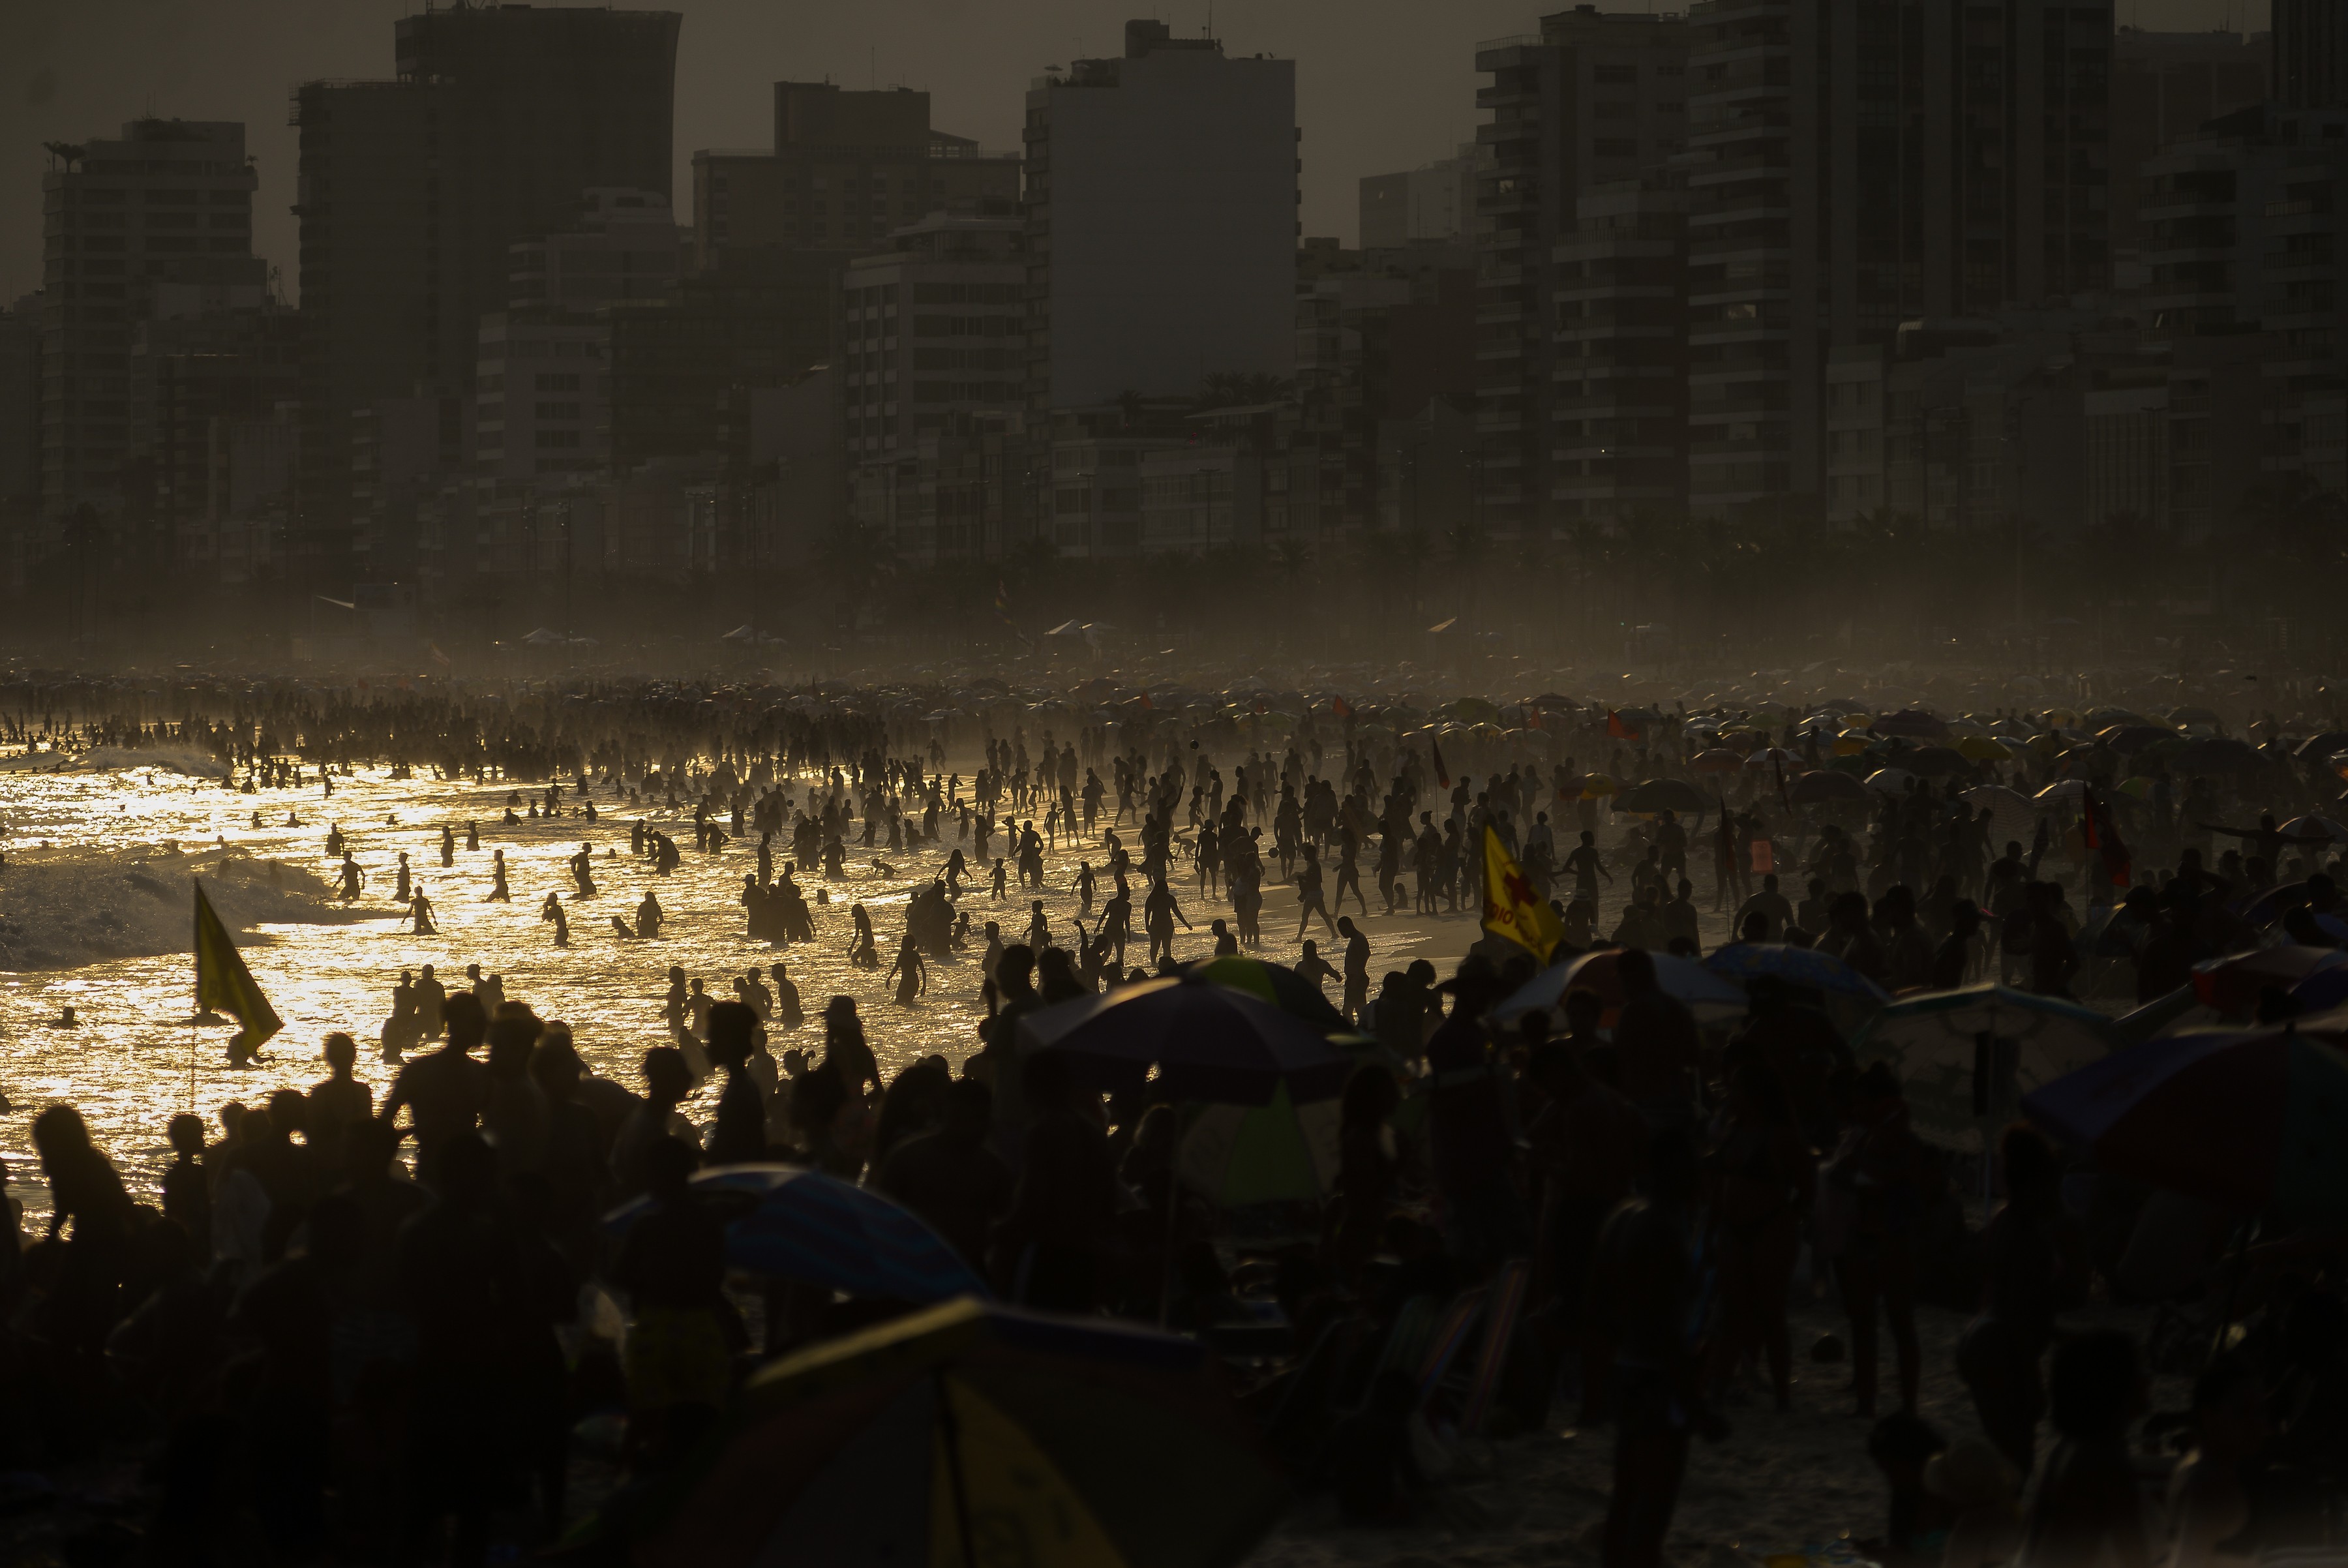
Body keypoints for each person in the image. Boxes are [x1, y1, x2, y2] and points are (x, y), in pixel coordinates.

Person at [1589, 1126, 1717, 1568]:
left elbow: (1602, 1306)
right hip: (1655, 1377)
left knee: (1626, 1495)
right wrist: (1694, 1401)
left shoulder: (1623, 1216)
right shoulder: (1662, 1228)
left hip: (1624, 1368)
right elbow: (1663, 1326)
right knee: (1653, 1504)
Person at [1960, 1122, 2084, 1478]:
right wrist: (2032, 1382)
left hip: (1984, 1340)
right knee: (2016, 1461)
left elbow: (2019, 1305)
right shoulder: (2028, 1239)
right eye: (2051, 1186)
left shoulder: (2006, 1222)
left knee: (2008, 1457)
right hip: (1998, 1349)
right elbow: (2019, 1317)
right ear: (2035, 1185)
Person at [610, 1135, 730, 1468]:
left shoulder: (647, 1225)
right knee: (700, 1425)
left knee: (648, 1422)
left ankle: (630, 1482)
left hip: (656, 1330)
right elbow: (716, 1274)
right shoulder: (710, 1221)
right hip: (701, 1329)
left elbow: (619, 1275)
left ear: (656, 1176)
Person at [1704, 1065, 1814, 1413]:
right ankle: (1718, 1392)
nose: (1729, 1095)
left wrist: (1788, 1219)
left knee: (1770, 1314)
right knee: (1732, 1313)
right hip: (1733, 1230)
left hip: (1770, 1228)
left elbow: (1808, 1186)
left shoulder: (1781, 1136)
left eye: (1736, 1089)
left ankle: (1782, 1395)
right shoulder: (1733, 1131)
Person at [1824, 1061, 1927, 1418]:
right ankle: (1866, 1402)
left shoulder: (1905, 1142)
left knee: (1899, 1325)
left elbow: (1907, 1184)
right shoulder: (1863, 1137)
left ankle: (1908, 1406)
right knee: (1865, 1324)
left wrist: (1865, 1165)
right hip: (1864, 1236)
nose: (1856, 1111)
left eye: (1863, 1103)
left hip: (1891, 1240)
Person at [991, 1048, 1118, 1312]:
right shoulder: (1092, 1131)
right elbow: (1109, 1198)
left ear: (1030, 1087)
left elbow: (1032, 1200)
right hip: (1089, 1252)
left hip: (1050, 1254)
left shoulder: (1043, 1130)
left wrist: (997, 1230)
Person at [2017, 1332, 2150, 1568]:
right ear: (2114, 1386)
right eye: (2138, 1371)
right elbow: (2136, 1557)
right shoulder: (2104, 1460)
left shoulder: (2065, 1447)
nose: (2148, 1379)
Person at [876, 1078, 1014, 1274]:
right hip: (913, 1271)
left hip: (967, 1274)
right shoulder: (908, 1159)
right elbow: (881, 1219)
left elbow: (1006, 1234)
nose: (971, 1128)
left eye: (980, 1119)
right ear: (947, 1114)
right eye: (961, 1118)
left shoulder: (993, 1169)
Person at [380, 991, 489, 1192]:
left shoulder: (419, 1070)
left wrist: (413, 1131)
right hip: (445, 1176)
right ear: (456, 1023)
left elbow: (382, 1125)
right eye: (477, 1022)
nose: (484, 1027)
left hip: (460, 1175)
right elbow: (382, 1126)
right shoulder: (478, 1073)